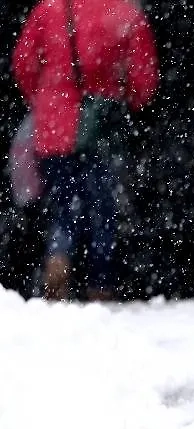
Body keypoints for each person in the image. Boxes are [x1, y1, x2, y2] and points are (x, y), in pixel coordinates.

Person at [12, 0, 159, 301]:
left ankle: (58, 264)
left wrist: (45, 101)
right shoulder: (125, 11)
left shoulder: (49, 7)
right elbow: (144, 78)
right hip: (101, 127)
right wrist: (125, 98)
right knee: (103, 208)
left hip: (53, 125)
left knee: (65, 204)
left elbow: (23, 64)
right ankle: (100, 285)